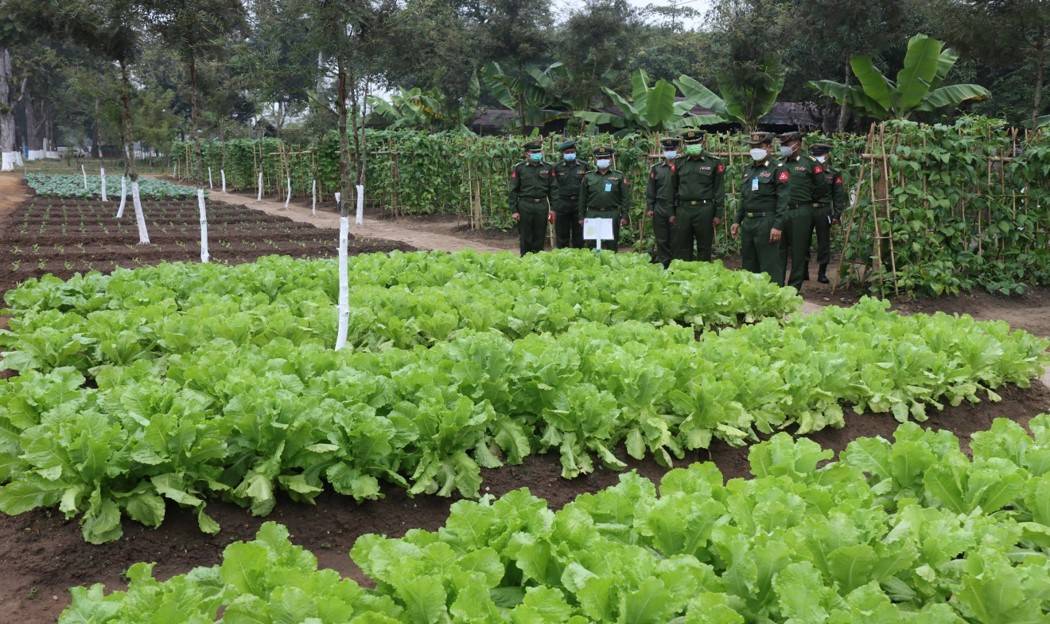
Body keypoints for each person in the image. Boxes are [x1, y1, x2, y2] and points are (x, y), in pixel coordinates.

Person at [731, 132, 790, 285]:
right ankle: (752, 298)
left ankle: (774, 298)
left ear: (769, 147)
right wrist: (737, 220)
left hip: (766, 221)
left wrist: (778, 226)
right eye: (752, 146)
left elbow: (783, 200)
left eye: (759, 146)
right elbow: (745, 198)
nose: (755, 149)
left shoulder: (778, 169)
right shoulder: (748, 169)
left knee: (769, 263)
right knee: (749, 264)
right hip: (748, 222)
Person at [776, 131, 828, 290]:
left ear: (797, 144)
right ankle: (777, 284)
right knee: (779, 251)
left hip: (801, 211)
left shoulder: (810, 163)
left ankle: (793, 288)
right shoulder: (778, 164)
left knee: (799, 251)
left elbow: (821, 187)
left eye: (787, 144)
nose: (784, 147)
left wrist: (807, 200)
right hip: (781, 212)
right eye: (782, 144)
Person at [671, 129, 726, 261]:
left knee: (704, 247)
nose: (692, 146)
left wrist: (718, 214)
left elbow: (719, 189)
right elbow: (673, 188)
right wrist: (672, 212)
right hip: (683, 210)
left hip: (704, 210)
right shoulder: (679, 162)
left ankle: (703, 277)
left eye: (695, 142)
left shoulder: (713, 162)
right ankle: (684, 276)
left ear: (702, 141)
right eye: (689, 143)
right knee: (682, 247)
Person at [808, 143, 847, 283]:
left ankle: (822, 273)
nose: (817, 158)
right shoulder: (806, 169)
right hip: (806, 209)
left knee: (823, 242)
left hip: (823, 210)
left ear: (826, 155)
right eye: (814, 155)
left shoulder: (833, 172)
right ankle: (803, 271)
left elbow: (838, 195)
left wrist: (837, 214)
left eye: (820, 155)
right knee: (802, 240)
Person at [578, 146, 629, 251]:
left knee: (612, 243)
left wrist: (624, 216)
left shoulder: (619, 176)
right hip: (593, 213)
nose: (603, 160)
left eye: (605, 158)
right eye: (600, 158)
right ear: (596, 160)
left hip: (612, 213)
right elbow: (582, 198)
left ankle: (611, 266)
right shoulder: (588, 177)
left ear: (610, 159)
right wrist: (581, 216)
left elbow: (625, 198)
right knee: (592, 244)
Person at [509, 140, 554, 256]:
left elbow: (553, 190)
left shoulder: (548, 168)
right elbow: (513, 190)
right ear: (526, 154)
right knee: (525, 235)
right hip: (525, 205)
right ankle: (525, 259)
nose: (537, 154)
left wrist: (553, 209)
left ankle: (538, 259)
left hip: (541, 205)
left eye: (539, 151)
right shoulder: (519, 168)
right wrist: (514, 210)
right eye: (533, 152)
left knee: (540, 234)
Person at [646, 137, 679, 267]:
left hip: (677, 207)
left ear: (677, 149)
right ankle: (664, 264)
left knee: (676, 238)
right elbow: (651, 190)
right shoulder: (656, 168)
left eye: (672, 149)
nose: (669, 151)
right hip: (660, 207)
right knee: (661, 238)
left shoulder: (681, 167)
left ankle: (676, 265)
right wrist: (650, 207)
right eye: (667, 149)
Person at [552, 139, 588, 248]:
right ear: (563, 154)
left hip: (579, 204)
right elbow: (553, 186)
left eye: (572, 152)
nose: (570, 154)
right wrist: (555, 206)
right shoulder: (557, 167)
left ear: (575, 152)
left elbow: (588, 185)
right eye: (567, 153)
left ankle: (578, 258)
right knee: (562, 235)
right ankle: (563, 256)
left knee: (579, 235)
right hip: (563, 204)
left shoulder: (584, 166)